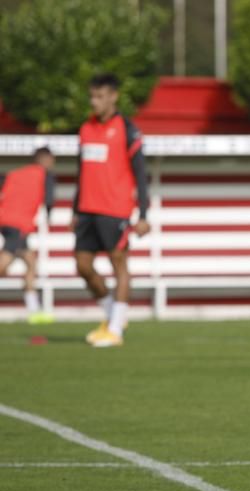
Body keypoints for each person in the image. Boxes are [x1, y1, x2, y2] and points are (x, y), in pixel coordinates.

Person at [72, 73, 150, 347]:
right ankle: (112, 315)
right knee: (82, 266)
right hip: (87, 210)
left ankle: (115, 330)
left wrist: (143, 215)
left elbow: (141, 175)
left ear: (113, 96)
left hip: (115, 210)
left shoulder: (128, 130)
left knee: (119, 264)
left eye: (100, 96)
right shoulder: (85, 129)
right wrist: (75, 208)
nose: (95, 102)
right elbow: (81, 171)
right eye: (92, 96)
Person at [0, 147, 57, 324]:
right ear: (45, 159)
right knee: (4, 262)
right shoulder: (45, 175)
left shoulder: (16, 173)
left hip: (5, 220)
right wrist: (48, 214)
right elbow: (49, 199)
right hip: (19, 224)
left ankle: (33, 310)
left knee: (31, 262)